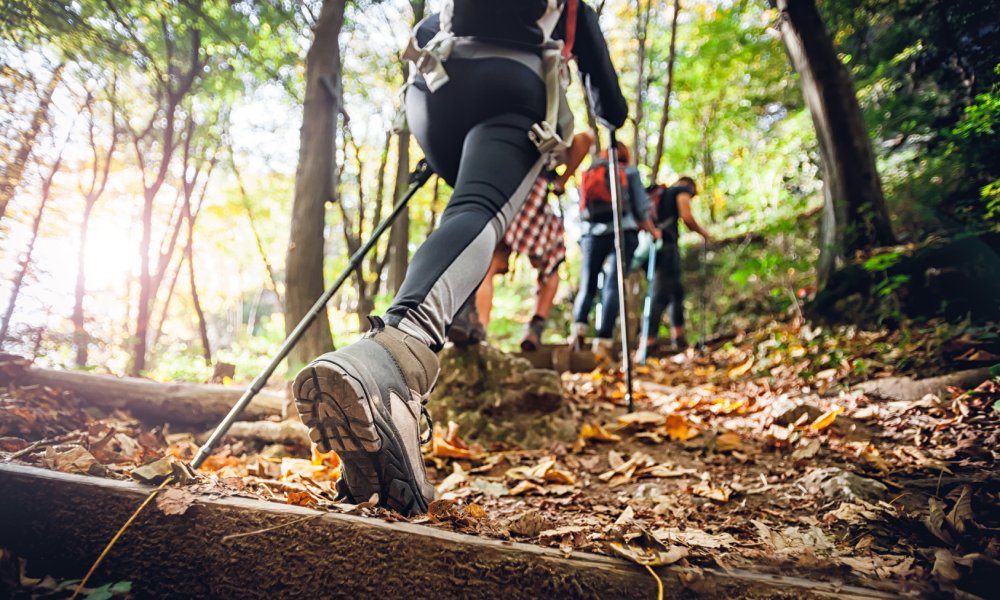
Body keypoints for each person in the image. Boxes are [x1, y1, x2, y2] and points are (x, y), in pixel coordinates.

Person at [292, 1, 627, 516]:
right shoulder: (572, 8)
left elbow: (428, 28)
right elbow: (610, 106)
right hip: (509, 89)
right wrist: (608, 117)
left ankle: (456, 320)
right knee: (479, 211)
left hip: (433, 90)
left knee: (464, 209)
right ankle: (396, 361)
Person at [471, 130, 594, 352]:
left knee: (488, 267)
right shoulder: (547, 131)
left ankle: (479, 332)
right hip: (534, 200)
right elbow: (586, 138)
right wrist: (562, 180)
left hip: (502, 195)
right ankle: (534, 328)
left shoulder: (502, 135)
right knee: (550, 266)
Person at [569, 143, 657, 358]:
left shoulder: (591, 171)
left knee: (588, 284)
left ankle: (578, 329)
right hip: (623, 231)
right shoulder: (629, 171)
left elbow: (581, 209)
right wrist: (653, 232)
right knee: (613, 284)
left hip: (591, 234)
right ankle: (603, 341)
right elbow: (641, 208)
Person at [643, 176, 710, 352]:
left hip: (653, 247)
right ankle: (649, 341)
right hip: (666, 245)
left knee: (675, 291)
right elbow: (686, 216)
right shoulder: (680, 191)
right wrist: (702, 232)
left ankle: (678, 338)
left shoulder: (661, 194)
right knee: (660, 293)